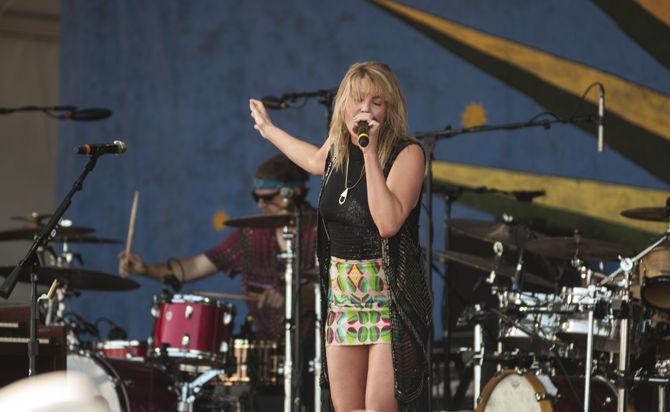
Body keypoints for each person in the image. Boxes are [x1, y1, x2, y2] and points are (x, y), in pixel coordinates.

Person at [250, 61, 432, 411]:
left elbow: (388, 223)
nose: (365, 109)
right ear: (344, 104)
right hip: (343, 298)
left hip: (389, 299)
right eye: (358, 100)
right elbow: (314, 160)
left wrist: (368, 154)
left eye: (376, 102)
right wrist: (269, 130)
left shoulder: (407, 154)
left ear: (389, 109)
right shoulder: (337, 146)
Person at [118, 153, 317, 342]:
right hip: (265, 348)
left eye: (267, 198)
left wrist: (294, 296)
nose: (260, 205)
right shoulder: (251, 235)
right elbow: (195, 267)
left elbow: (338, 289)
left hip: (318, 350)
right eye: (256, 198)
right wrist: (145, 269)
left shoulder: (323, 231)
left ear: (294, 193)